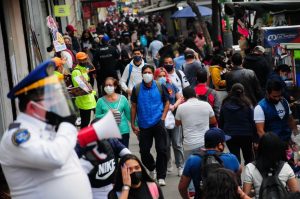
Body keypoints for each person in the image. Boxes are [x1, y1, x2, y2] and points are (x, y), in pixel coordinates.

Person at [0, 60, 93, 199]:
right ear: (32, 107)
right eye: (51, 99)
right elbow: (55, 157)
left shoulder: (49, 129)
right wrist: (67, 124)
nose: (57, 103)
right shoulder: (18, 135)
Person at [130, 65, 169, 186]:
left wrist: (162, 118)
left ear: (153, 74)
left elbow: (167, 102)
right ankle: (152, 168)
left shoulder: (160, 86)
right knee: (144, 151)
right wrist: (132, 123)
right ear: (142, 74)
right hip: (143, 124)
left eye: (149, 72)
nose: (147, 74)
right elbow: (134, 106)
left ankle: (161, 176)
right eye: (145, 72)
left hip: (158, 122)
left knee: (162, 149)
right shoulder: (136, 89)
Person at [178, 128, 241, 199]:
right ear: (220, 145)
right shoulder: (232, 158)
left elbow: (182, 187)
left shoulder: (192, 160)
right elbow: (238, 173)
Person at [77, 118, 131, 199]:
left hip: (111, 185)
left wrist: (122, 171)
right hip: (92, 189)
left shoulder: (112, 141)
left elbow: (128, 155)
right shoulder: (83, 147)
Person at [243, 133, 300, 198]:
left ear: (260, 148)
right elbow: (296, 193)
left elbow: (245, 195)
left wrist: (255, 191)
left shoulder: (250, 167)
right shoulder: (285, 167)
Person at [153, 67, 184, 176]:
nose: (161, 78)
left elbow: (180, 98)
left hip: (174, 117)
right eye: (159, 76)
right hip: (161, 118)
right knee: (165, 144)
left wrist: (174, 106)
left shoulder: (171, 85)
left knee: (177, 142)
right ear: (155, 77)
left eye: (163, 75)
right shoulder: (153, 88)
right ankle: (168, 164)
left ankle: (180, 165)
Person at [175, 87, 217, 158]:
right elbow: (213, 120)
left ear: (184, 97)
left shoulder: (181, 107)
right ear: (196, 95)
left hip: (189, 145)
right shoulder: (206, 104)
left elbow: (177, 123)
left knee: (191, 167)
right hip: (205, 142)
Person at [219, 83, 255, 164]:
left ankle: (236, 175)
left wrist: (222, 136)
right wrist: (255, 138)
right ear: (243, 92)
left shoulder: (225, 104)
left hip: (230, 135)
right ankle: (250, 175)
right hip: (246, 134)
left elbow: (221, 121)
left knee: (235, 159)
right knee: (249, 158)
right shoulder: (247, 104)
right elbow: (252, 120)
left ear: (231, 91)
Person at [95, 77, 131, 147]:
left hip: (123, 131)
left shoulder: (123, 99)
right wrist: (107, 114)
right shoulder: (100, 101)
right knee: (113, 156)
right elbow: (97, 117)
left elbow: (129, 115)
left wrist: (136, 126)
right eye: (106, 85)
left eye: (110, 85)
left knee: (125, 156)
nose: (108, 87)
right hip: (108, 134)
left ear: (115, 86)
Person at [72, 52, 97, 128]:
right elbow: (82, 87)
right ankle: (82, 138)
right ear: (78, 60)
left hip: (90, 98)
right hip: (84, 101)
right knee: (85, 122)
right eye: (82, 60)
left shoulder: (83, 69)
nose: (84, 61)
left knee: (97, 117)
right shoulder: (76, 72)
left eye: (85, 59)